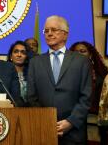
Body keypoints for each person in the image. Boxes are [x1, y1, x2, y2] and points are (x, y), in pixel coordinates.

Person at [28, 15, 91, 144]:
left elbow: (86, 97)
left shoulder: (81, 61)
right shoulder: (35, 62)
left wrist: (71, 122)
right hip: (43, 129)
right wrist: (46, 120)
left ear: (65, 34)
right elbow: (31, 96)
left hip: (74, 132)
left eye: (54, 30)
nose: (49, 34)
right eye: (46, 31)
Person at [70, 41, 108, 144]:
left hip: (94, 120)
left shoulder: (101, 73)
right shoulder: (66, 72)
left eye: (82, 51)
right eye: (76, 52)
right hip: (73, 119)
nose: (79, 54)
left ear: (90, 54)